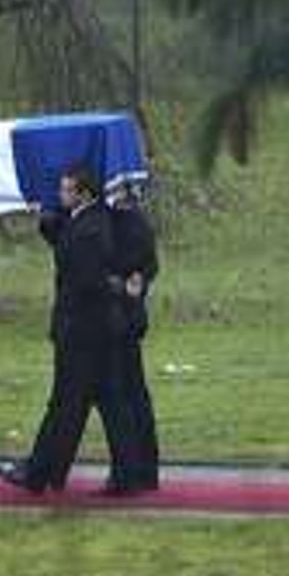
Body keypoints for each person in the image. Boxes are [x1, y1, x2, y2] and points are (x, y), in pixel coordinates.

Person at [0, 166, 144, 495]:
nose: (60, 196)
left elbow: (86, 279)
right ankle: (120, 474)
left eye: (66, 190)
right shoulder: (91, 220)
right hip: (98, 331)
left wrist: (115, 287)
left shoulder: (88, 230)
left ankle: (38, 474)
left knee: (64, 404)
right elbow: (66, 242)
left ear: (83, 194)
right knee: (107, 404)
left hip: (82, 333)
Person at [105, 181, 160, 491]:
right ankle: (144, 469)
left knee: (124, 396)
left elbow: (134, 271)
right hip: (129, 317)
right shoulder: (136, 221)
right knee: (134, 394)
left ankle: (131, 471)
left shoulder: (126, 223)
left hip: (119, 320)